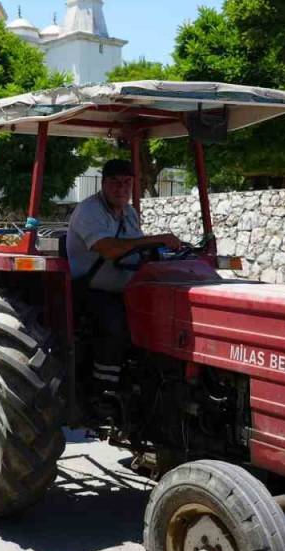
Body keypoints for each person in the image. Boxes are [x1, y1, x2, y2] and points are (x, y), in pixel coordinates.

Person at [67, 159, 184, 412]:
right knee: (116, 324)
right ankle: (101, 393)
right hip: (90, 289)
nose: (121, 188)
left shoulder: (129, 213)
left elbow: (137, 248)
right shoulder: (89, 211)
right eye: (115, 182)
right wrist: (156, 239)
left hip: (128, 287)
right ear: (103, 183)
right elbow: (109, 249)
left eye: (127, 183)